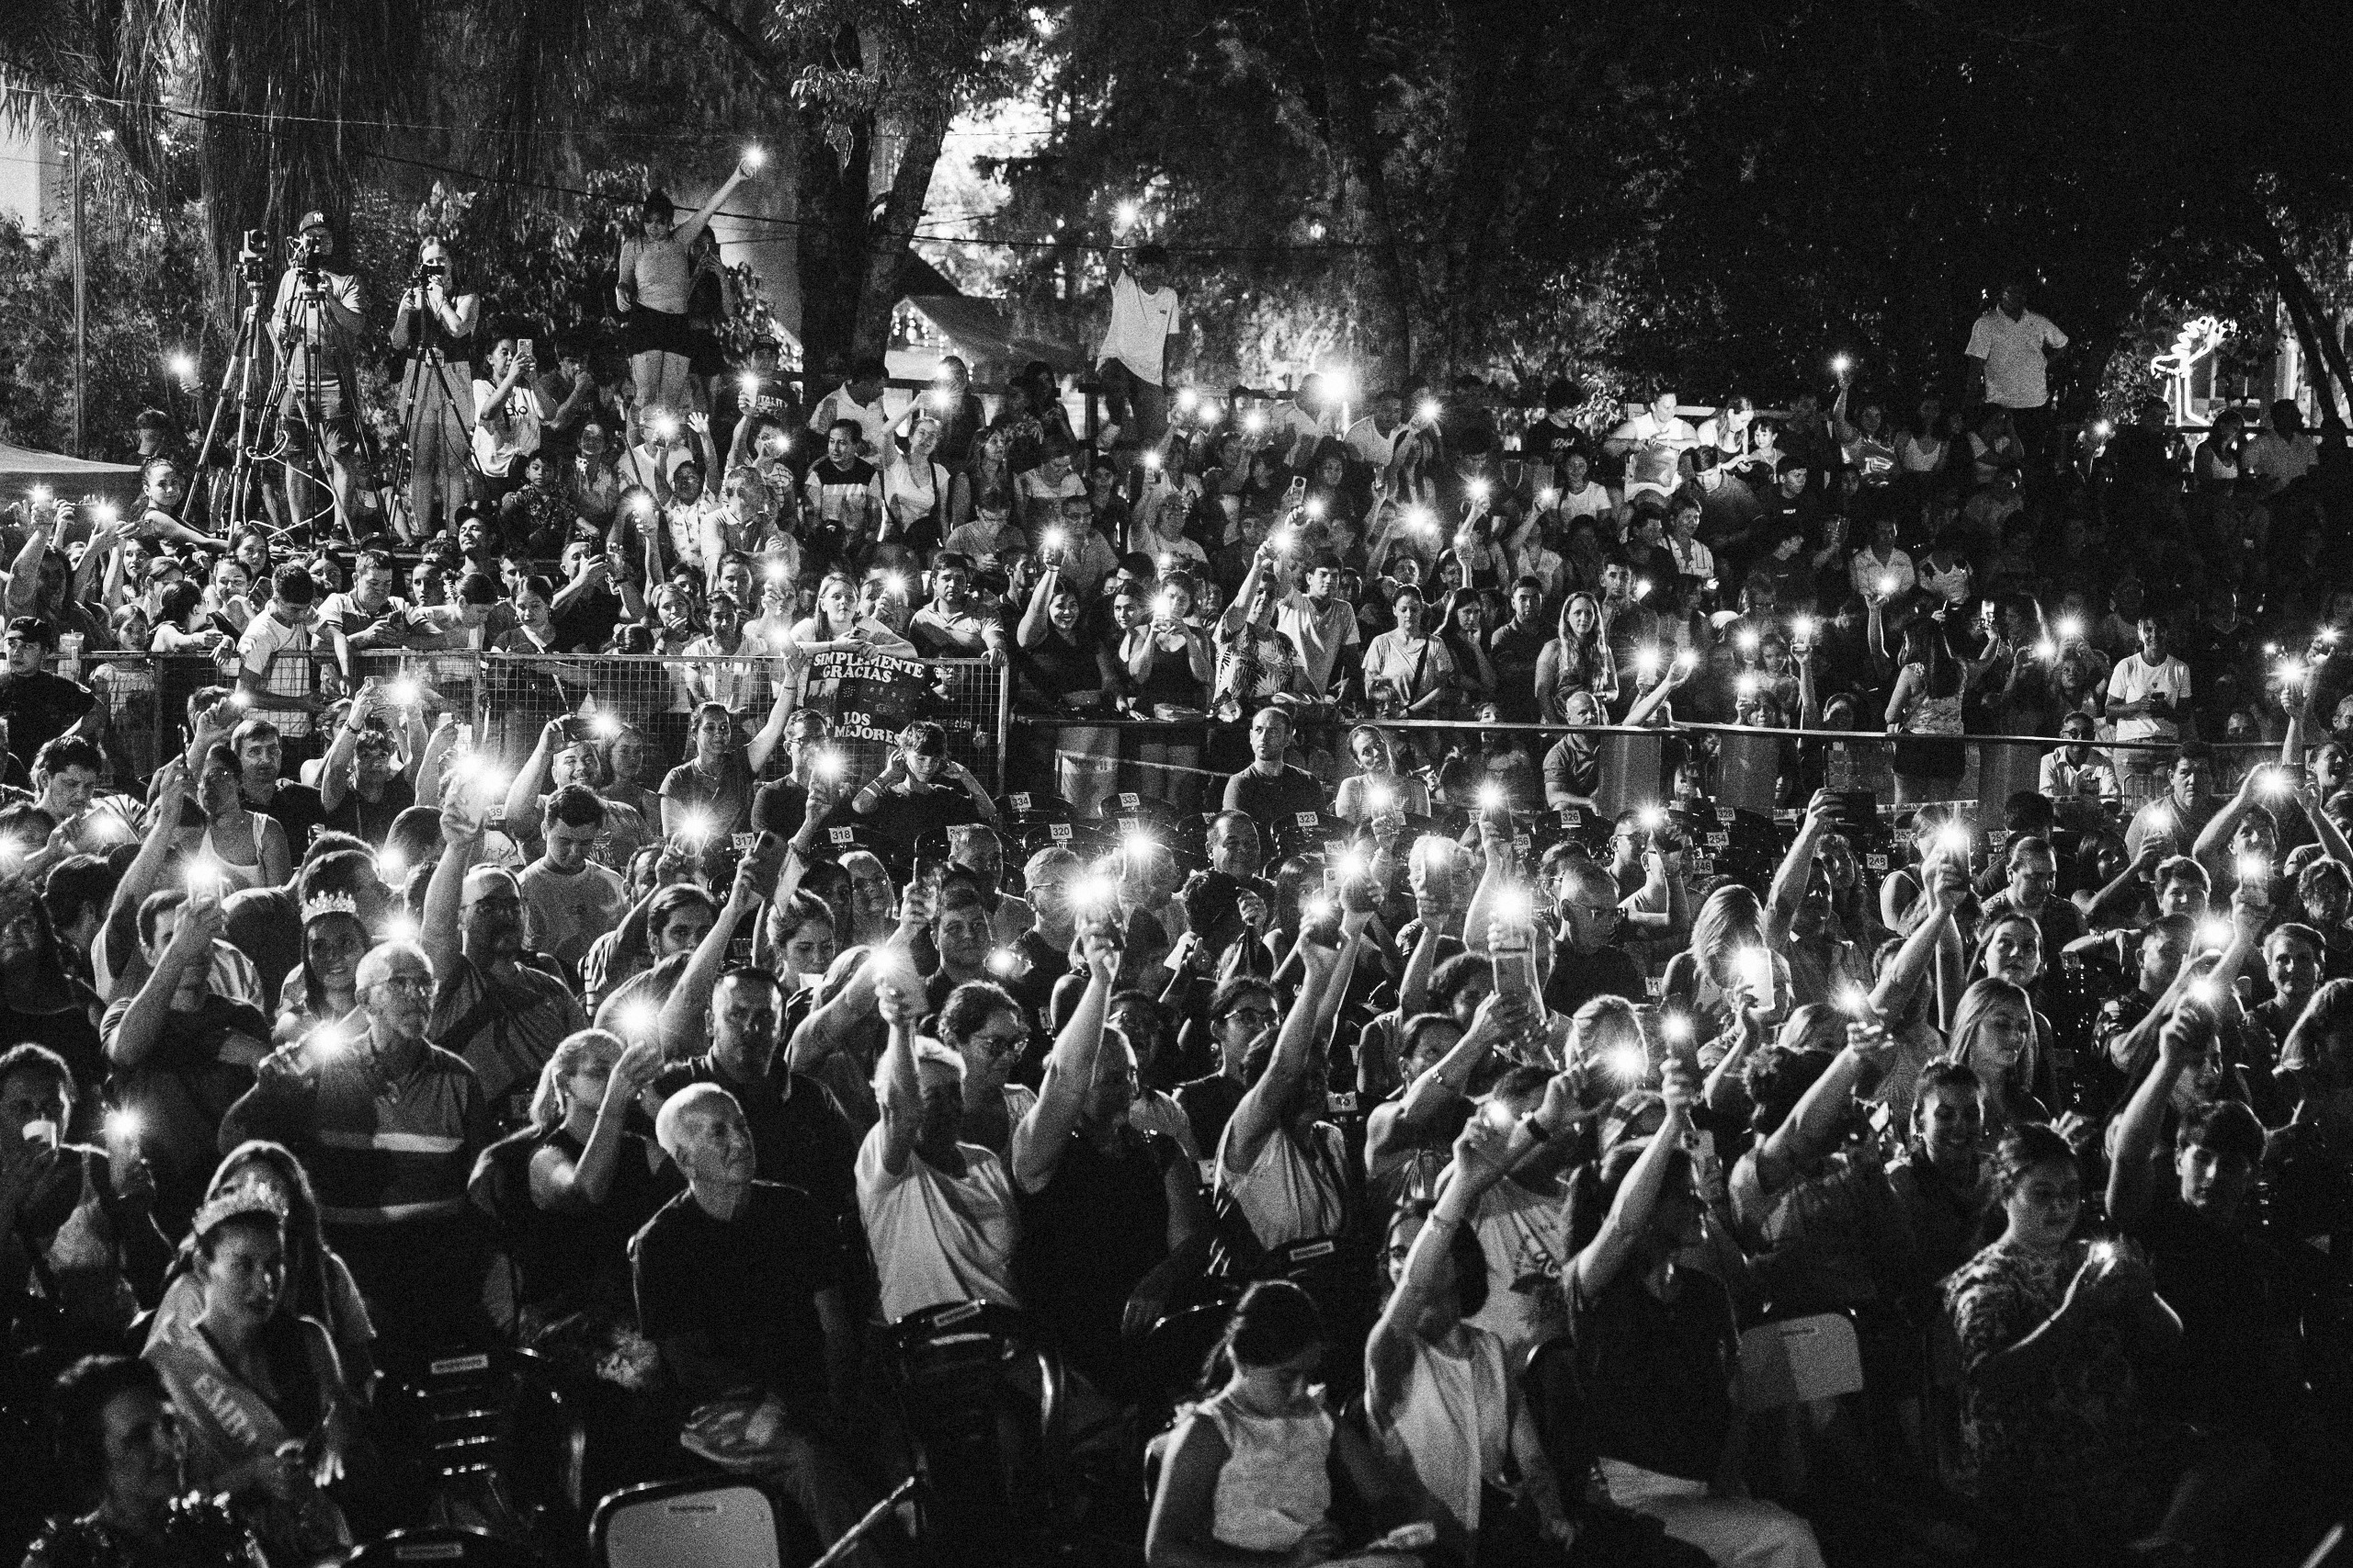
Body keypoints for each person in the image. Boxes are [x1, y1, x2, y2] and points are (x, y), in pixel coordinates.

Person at [1944, 1122, 2256, 1557]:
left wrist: (2145, 1295)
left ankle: (2158, 1543)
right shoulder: (1984, 1281)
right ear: (2006, 1195)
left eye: (2069, 1193)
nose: (2060, 1208)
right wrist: (2073, 1313)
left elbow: (2169, 1338)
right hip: (2036, 1463)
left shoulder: (2084, 1258)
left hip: (2114, 1443)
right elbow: (1990, 1382)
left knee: (2239, 1452)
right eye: (2042, 1195)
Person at [1552, 1084, 1826, 1567]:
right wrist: (1670, 1126)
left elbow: (1732, 1400)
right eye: (1684, 1197)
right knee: (1789, 1538)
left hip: (1701, 1489)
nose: (1701, 1205)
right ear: (1649, 1207)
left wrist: (1727, 1483)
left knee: (1774, 1526)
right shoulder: (1595, 1287)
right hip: (1630, 1496)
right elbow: (1621, 1226)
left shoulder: (1704, 1292)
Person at [631, 1083, 887, 1567]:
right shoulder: (661, 1244)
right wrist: (785, 1404)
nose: (740, 1141)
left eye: (741, 1125)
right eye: (718, 1132)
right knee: (809, 1460)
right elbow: (691, 1367)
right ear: (684, 1160)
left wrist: (835, 1396)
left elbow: (834, 1325)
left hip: (812, 1384)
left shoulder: (795, 1209)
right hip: (723, 1407)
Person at [219, 941, 494, 1365]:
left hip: (437, 1266)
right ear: (364, 1001)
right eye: (400, 984)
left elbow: (480, 1189)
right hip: (352, 1267)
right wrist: (264, 1093)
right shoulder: (322, 1072)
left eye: (425, 985)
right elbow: (232, 1142)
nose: (417, 995)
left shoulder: (458, 1079)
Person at [143, 1182, 351, 1563]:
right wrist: (249, 1477)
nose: (265, 1283)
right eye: (244, 1265)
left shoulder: (310, 1341)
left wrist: (338, 1435)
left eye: (275, 1264)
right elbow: (155, 1507)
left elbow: (343, 1428)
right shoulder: (167, 1369)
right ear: (204, 1266)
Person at [1144, 1280, 1410, 1568]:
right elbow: (1163, 1552)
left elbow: (1382, 1493)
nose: (1299, 1391)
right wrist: (1283, 1562)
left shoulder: (1315, 1417)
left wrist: (1391, 1535)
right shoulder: (1209, 1432)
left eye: (1307, 1377)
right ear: (1242, 1360)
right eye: (1285, 1378)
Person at [100, 888, 274, 1238]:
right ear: (149, 953)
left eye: (200, 939)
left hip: (236, 1200)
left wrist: (258, 1057)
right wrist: (180, 948)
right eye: (173, 938)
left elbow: (273, 1108)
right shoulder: (122, 1013)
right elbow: (128, 1051)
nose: (193, 948)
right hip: (160, 1206)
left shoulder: (243, 1017)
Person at [858, 966, 1021, 1322]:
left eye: (954, 1094)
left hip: (1002, 1336)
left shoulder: (986, 1163)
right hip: (927, 1350)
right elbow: (905, 1113)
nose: (948, 1107)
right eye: (932, 1097)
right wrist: (902, 1028)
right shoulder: (887, 1167)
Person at [421, 790, 589, 1117]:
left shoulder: (548, 988)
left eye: (513, 905)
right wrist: (457, 849)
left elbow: (583, 1057)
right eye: (488, 907)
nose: (506, 916)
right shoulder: (452, 982)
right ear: (461, 916)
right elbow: (436, 930)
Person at [19, 1356, 268, 1568]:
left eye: (169, 1426)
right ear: (93, 1457)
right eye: (139, 1438)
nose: (169, 1447)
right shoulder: (64, 1560)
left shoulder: (218, 1527)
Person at [617, 158, 759, 415]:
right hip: (647, 319)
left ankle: (664, 451)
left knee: (670, 402)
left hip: (677, 324)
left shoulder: (681, 240)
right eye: (649, 221)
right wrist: (621, 292)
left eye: (660, 222)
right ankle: (634, 450)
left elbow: (710, 208)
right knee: (646, 396)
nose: (654, 228)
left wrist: (737, 176)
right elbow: (623, 281)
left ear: (670, 222)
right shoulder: (634, 245)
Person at [267, 211, 367, 531]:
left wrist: (329, 298)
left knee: (340, 452)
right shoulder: (290, 278)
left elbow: (356, 325)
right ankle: (297, 524)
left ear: (332, 243)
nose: (317, 243)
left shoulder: (346, 280)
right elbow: (278, 325)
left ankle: (340, 525)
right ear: (300, 241)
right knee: (294, 452)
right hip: (296, 372)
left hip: (334, 374)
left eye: (323, 237)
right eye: (311, 236)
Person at [390, 236, 480, 535]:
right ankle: (424, 534)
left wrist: (439, 300)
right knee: (422, 461)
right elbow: (398, 342)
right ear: (420, 266)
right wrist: (404, 312)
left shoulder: (467, 297)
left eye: (440, 260)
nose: (435, 267)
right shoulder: (413, 296)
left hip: (454, 373)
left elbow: (457, 328)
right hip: (420, 373)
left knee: (454, 462)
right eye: (429, 262)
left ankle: (454, 535)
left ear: (451, 263)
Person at [1961, 278, 2067, 483]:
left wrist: (2044, 362)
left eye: (2020, 293)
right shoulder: (1986, 324)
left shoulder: (2037, 321)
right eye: (2011, 292)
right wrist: (1970, 399)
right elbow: (1976, 364)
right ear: (2002, 294)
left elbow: (2062, 343)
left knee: (2032, 461)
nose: (2016, 298)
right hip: (2000, 404)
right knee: (2001, 464)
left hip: (2035, 403)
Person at [518, 783, 627, 973]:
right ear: (545, 830)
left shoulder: (613, 883)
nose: (575, 852)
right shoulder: (523, 888)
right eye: (565, 841)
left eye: (585, 842)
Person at [1095, 241, 1182, 445]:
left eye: (1160, 266)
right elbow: (1112, 263)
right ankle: (1115, 423)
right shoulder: (1125, 286)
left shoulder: (1169, 297)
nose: (1156, 271)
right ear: (1140, 268)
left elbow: (1171, 339)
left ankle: (1151, 474)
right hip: (1118, 361)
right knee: (1116, 378)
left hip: (1150, 374)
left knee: (1156, 438)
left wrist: (1165, 377)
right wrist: (1116, 240)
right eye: (1150, 265)